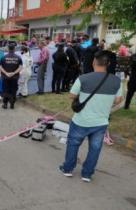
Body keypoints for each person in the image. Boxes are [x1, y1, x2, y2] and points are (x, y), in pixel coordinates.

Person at [59, 50, 123, 182]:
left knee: (73, 144)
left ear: (94, 62)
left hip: (80, 121)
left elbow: (71, 96)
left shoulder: (83, 78)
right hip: (100, 123)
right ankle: (87, 174)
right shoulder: (117, 81)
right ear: (108, 64)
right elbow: (118, 100)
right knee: (95, 148)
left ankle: (68, 169)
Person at [0, 44, 23, 109]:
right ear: (14, 49)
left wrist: (6, 73)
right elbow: (20, 67)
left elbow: (0, 67)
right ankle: (12, 104)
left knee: (5, 90)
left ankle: (5, 104)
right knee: (13, 90)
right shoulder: (18, 57)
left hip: (5, 77)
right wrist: (14, 73)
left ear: (8, 49)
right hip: (14, 77)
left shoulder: (3, 57)